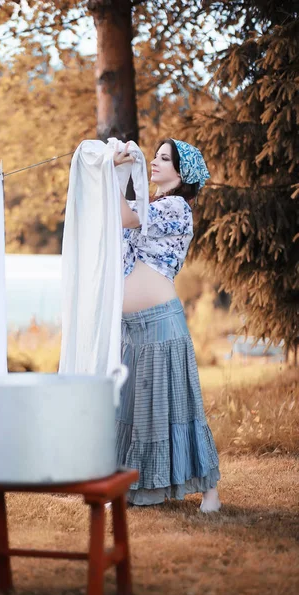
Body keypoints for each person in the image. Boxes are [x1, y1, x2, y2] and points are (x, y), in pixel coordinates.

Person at [114, 138, 221, 512]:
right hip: (136, 329)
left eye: (163, 158)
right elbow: (113, 215)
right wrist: (110, 167)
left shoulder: (177, 207)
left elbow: (125, 216)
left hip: (160, 324)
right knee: (137, 409)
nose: (154, 163)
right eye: (155, 157)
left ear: (181, 171)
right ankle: (129, 484)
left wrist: (111, 169)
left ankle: (210, 490)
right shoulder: (153, 204)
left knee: (179, 406)